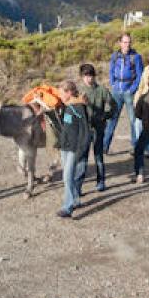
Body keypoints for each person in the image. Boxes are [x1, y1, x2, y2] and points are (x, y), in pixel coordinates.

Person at [77, 64, 117, 192]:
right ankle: (78, 187)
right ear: (82, 77)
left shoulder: (102, 90)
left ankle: (101, 181)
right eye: (86, 76)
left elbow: (113, 106)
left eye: (91, 75)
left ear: (94, 76)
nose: (89, 78)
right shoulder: (79, 92)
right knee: (82, 159)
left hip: (98, 129)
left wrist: (105, 116)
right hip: (84, 130)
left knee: (98, 156)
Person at [104, 33, 143, 154]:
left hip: (129, 92)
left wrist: (132, 89)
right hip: (117, 91)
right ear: (120, 43)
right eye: (125, 42)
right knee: (112, 120)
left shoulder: (136, 57)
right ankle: (104, 147)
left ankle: (135, 146)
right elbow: (111, 71)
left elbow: (139, 75)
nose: (127, 44)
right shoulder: (115, 56)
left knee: (133, 120)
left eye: (129, 42)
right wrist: (113, 84)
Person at [56, 80, 91, 218]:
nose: (60, 96)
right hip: (66, 146)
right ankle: (75, 200)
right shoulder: (68, 107)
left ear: (69, 92)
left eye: (61, 93)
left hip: (74, 148)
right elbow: (68, 127)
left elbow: (84, 131)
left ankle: (67, 206)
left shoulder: (78, 108)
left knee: (67, 177)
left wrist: (81, 149)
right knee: (70, 175)